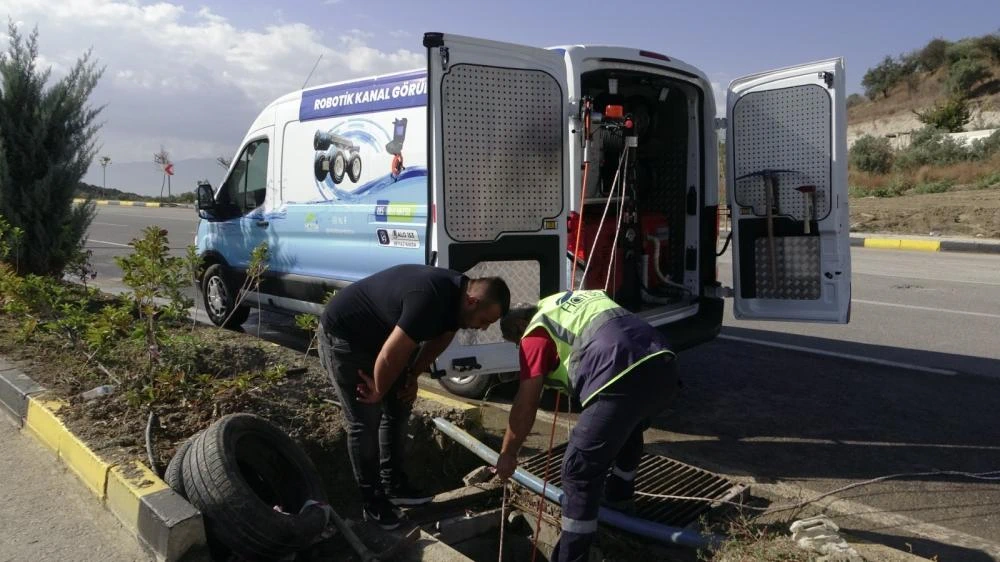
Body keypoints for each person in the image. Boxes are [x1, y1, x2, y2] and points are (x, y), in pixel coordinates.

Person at [318, 264, 510, 529]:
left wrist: (413, 375)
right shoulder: (429, 299)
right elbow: (389, 354)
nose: (482, 328)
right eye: (484, 320)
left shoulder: (459, 299)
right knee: (365, 419)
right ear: (472, 301)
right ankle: (373, 503)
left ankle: (394, 486)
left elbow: (441, 338)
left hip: (382, 337)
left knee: (400, 403)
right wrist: (378, 390)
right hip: (347, 337)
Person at [494, 289, 680, 561]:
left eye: (514, 341)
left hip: (618, 375)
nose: (518, 347)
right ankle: (620, 499)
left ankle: (571, 556)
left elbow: (526, 403)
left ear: (521, 326)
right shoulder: (561, 302)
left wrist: (508, 453)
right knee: (628, 427)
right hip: (662, 364)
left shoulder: (534, 334)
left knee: (578, 470)